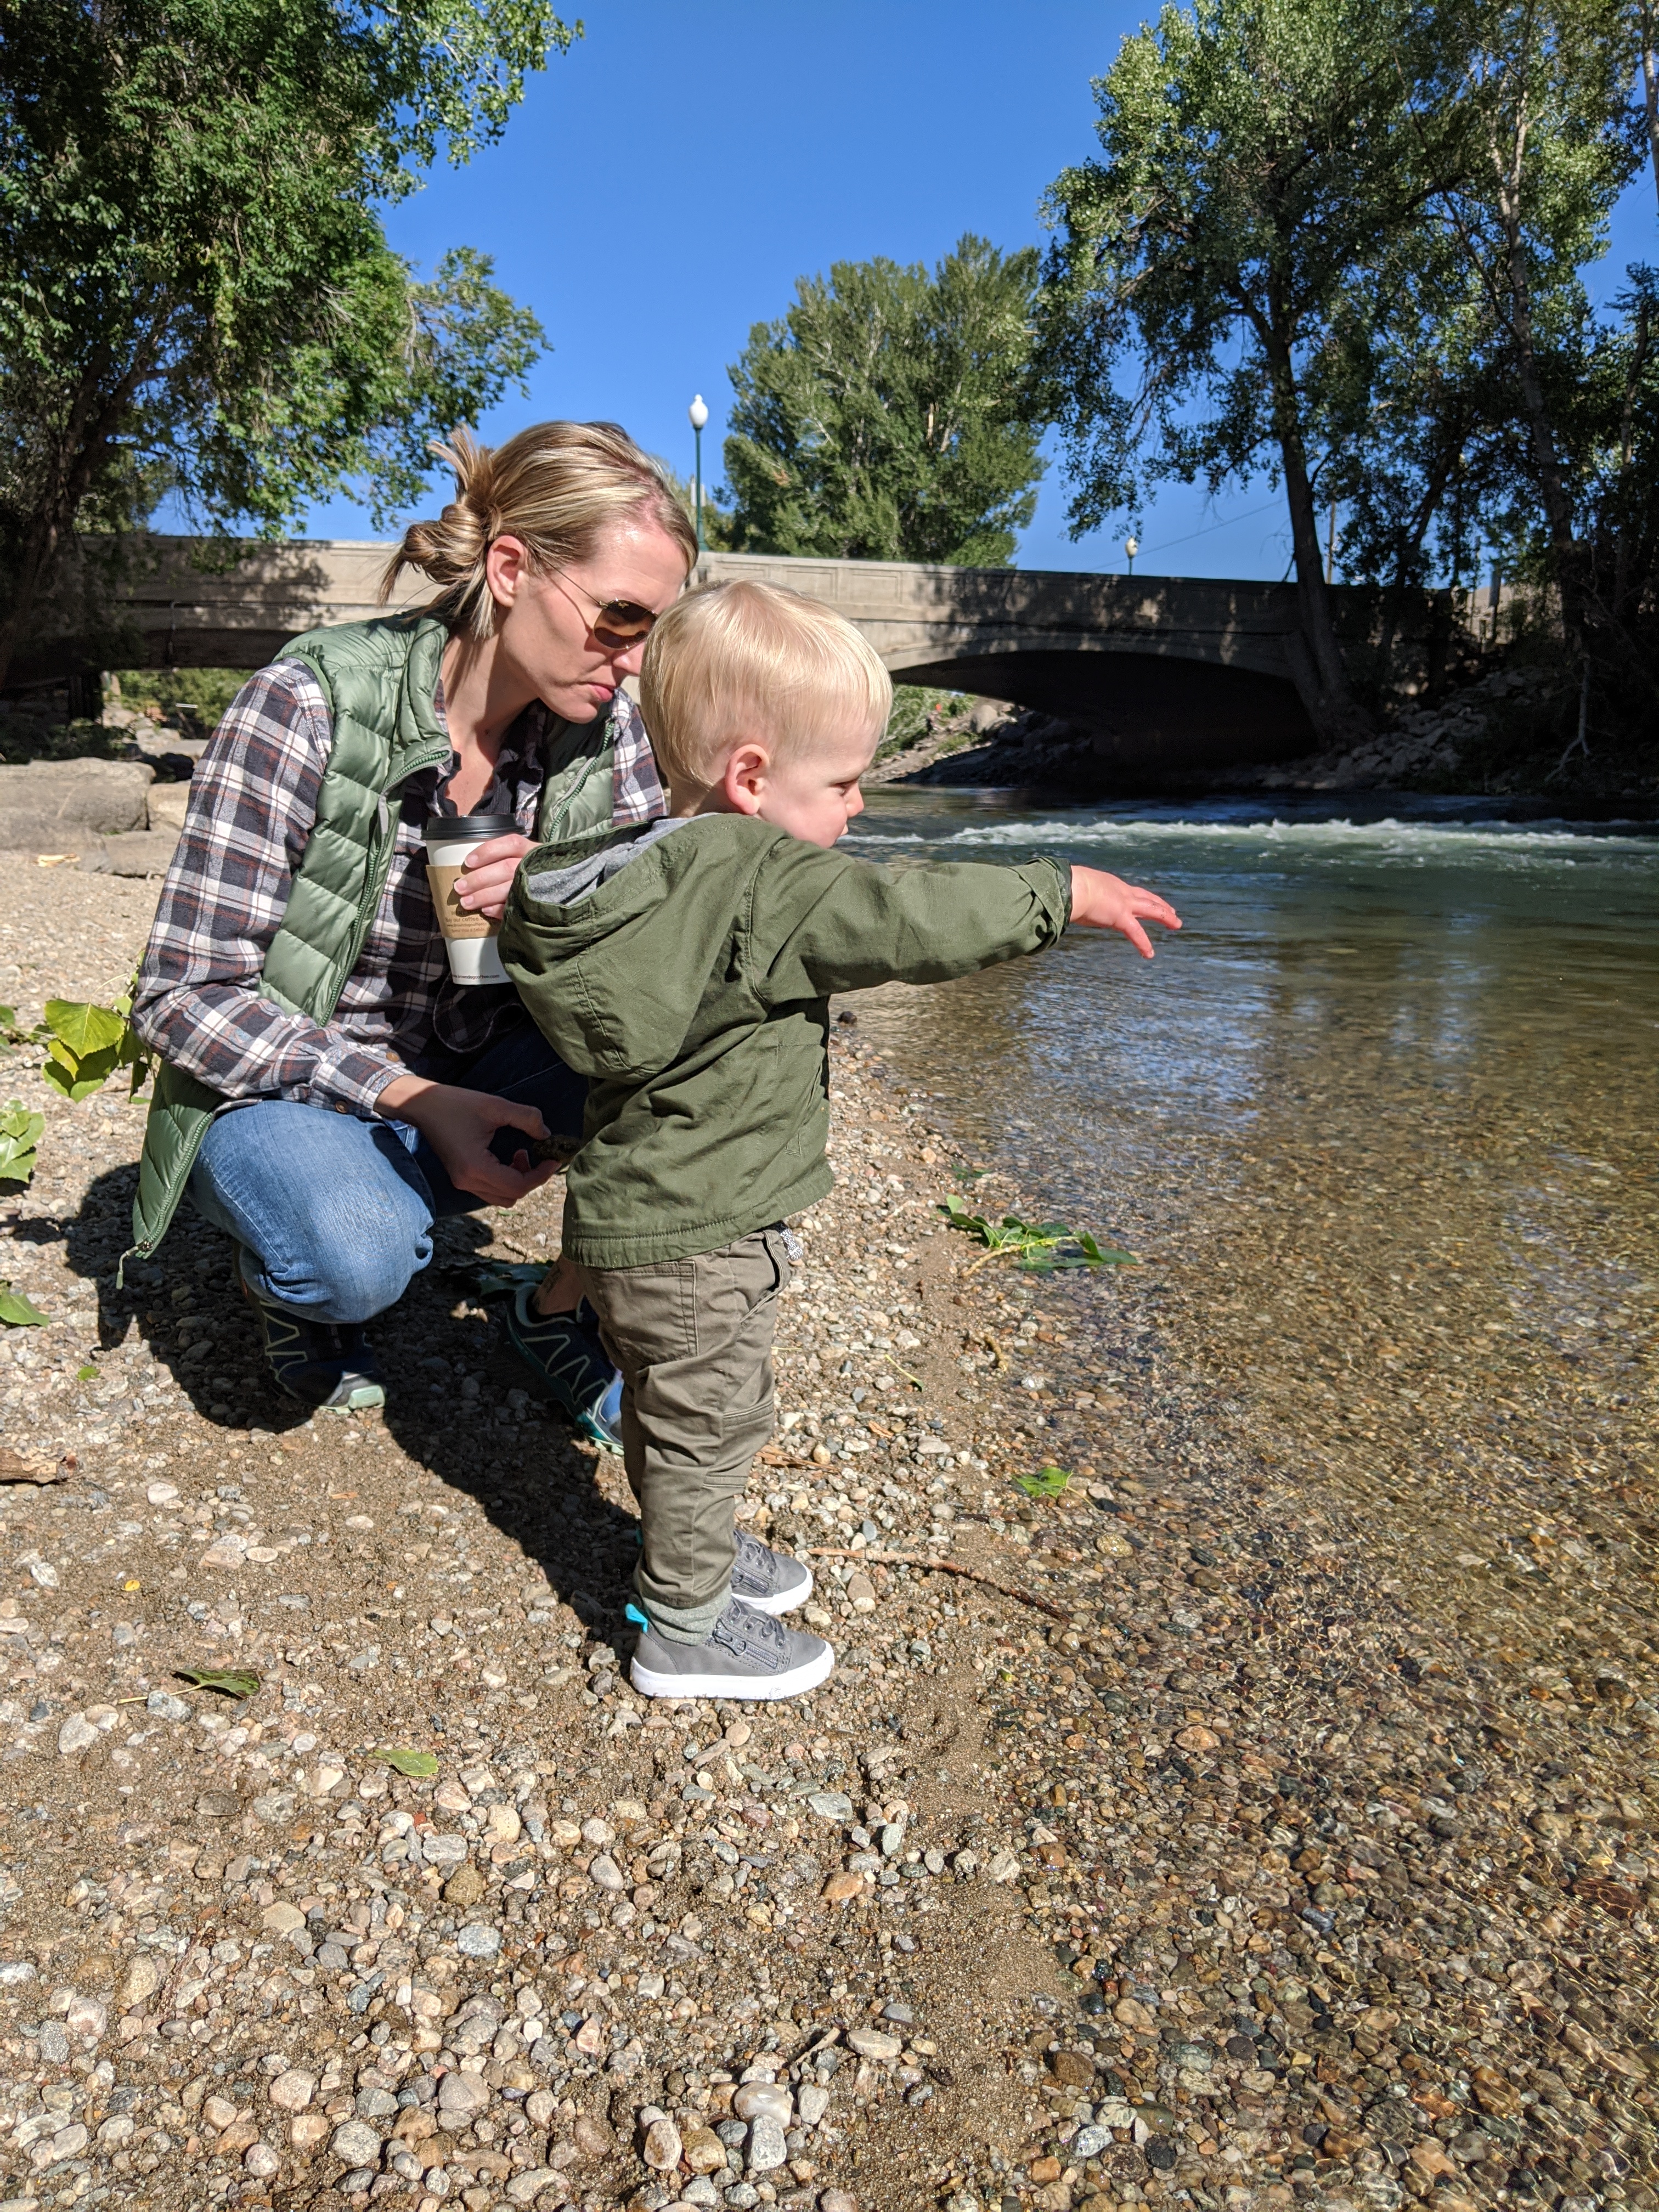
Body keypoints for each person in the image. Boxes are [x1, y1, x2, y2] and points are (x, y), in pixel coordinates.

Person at [499, 580, 1182, 1700]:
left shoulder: (645, 870)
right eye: (846, 783)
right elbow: (906, 915)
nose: (860, 809)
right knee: (708, 1420)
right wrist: (1058, 891)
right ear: (753, 778)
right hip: (706, 1237)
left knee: (690, 1409)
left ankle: (699, 1558)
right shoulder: (766, 878)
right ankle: (683, 1622)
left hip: (640, 1213)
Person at [128, 421, 696, 1433]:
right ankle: (302, 1281)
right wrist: (411, 1097)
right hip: (290, 1091)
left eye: (653, 630)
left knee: (736, 1053)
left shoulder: (612, 738)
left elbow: (664, 956)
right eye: (618, 620)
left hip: (485, 1065)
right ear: (512, 569)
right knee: (355, 1255)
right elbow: (183, 998)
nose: (634, 660)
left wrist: (567, 904)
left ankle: (562, 1306)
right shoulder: (307, 704)